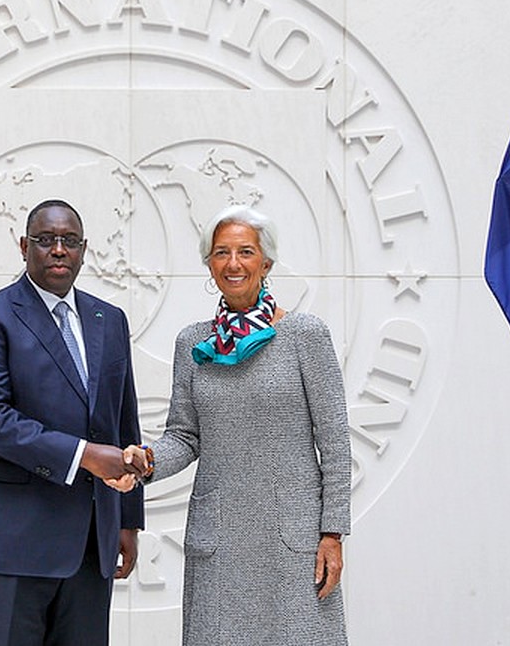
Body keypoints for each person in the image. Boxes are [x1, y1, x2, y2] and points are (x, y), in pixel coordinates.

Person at [111, 204, 351, 646]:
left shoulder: (304, 335)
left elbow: (335, 443)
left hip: (292, 541)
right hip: (219, 541)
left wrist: (332, 533)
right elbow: (184, 436)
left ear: (267, 263)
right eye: (222, 253)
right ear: (209, 264)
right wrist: (145, 461)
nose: (234, 263)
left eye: (245, 251)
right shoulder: (192, 343)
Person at [0, 199, 145, 646]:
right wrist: (85, 456)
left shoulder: (109, 320)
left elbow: (122, 423)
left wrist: (127, 521)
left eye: (69, 241)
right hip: (8, 549)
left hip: (91, 548)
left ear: (84, 249)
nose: (59, 250)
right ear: (24, 246)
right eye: (46, 240)